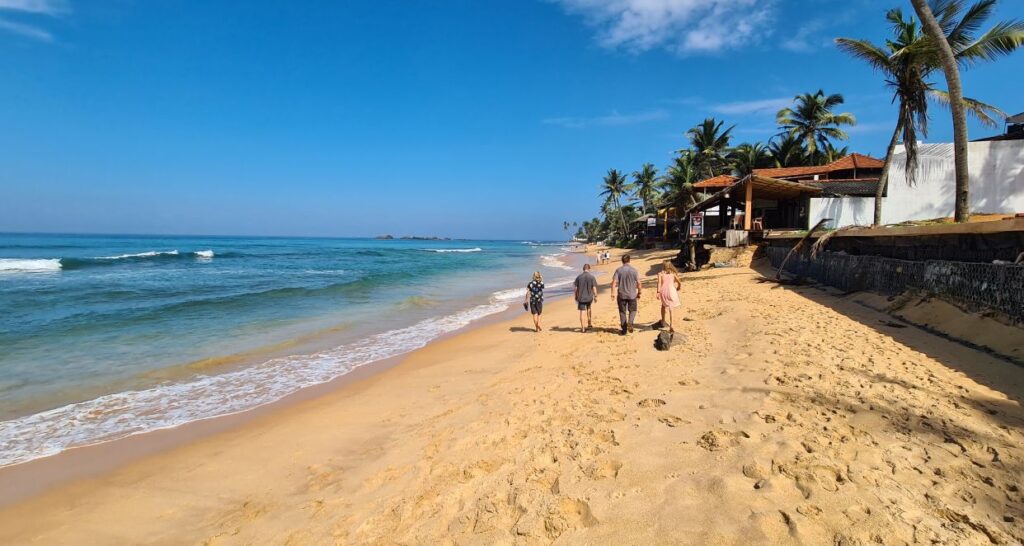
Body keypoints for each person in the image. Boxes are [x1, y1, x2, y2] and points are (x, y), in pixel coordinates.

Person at [611, 254, 641, 335]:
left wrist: (612, 293)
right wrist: (639, 292)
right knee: (633, 310)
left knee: (622, 312)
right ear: (629, 260)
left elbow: (614, 283)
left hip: (621, 295)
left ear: (622, 261)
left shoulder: (618, 270)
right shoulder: (634, 270)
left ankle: (624, 329)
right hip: (632, 295)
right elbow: (639, 283)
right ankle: (630, 323)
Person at [657, 260, 682, 333]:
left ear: (663, 266)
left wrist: (658, 292)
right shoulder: (673, 274)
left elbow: (659, 284)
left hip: (663, 292)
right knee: (671, 308)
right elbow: (679, 281)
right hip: (672, 291)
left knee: (663, 305)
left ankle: (663, 320)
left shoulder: (660, 274)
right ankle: (672, 325)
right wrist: (679, 287)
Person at [573, 263, 598, 333]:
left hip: (581, 298)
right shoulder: (592, 277)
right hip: (589, 297)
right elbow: (594, 287)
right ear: (589, 269)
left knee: (582, 312)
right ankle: (589, 323)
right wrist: (595, 296)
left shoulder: (578, 277)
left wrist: (575, 296)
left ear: (583, 269)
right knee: (589, 308)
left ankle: (583, 328)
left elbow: (575, 288)